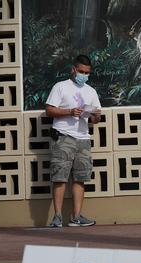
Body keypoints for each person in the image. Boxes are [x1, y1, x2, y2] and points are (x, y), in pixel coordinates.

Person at [45, 54, 102, 227]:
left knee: (80, 178)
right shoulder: (60, 87)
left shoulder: (91, 91)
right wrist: (70, 112)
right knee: (60, 177)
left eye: (87, 73)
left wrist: (95, 116)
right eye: (81, 71)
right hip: (63, 136)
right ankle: (57, 217)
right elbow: (49, 110)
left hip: (83, 138)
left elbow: (95, 120)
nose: (84, 75)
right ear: (74, 70)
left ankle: (76, 217)